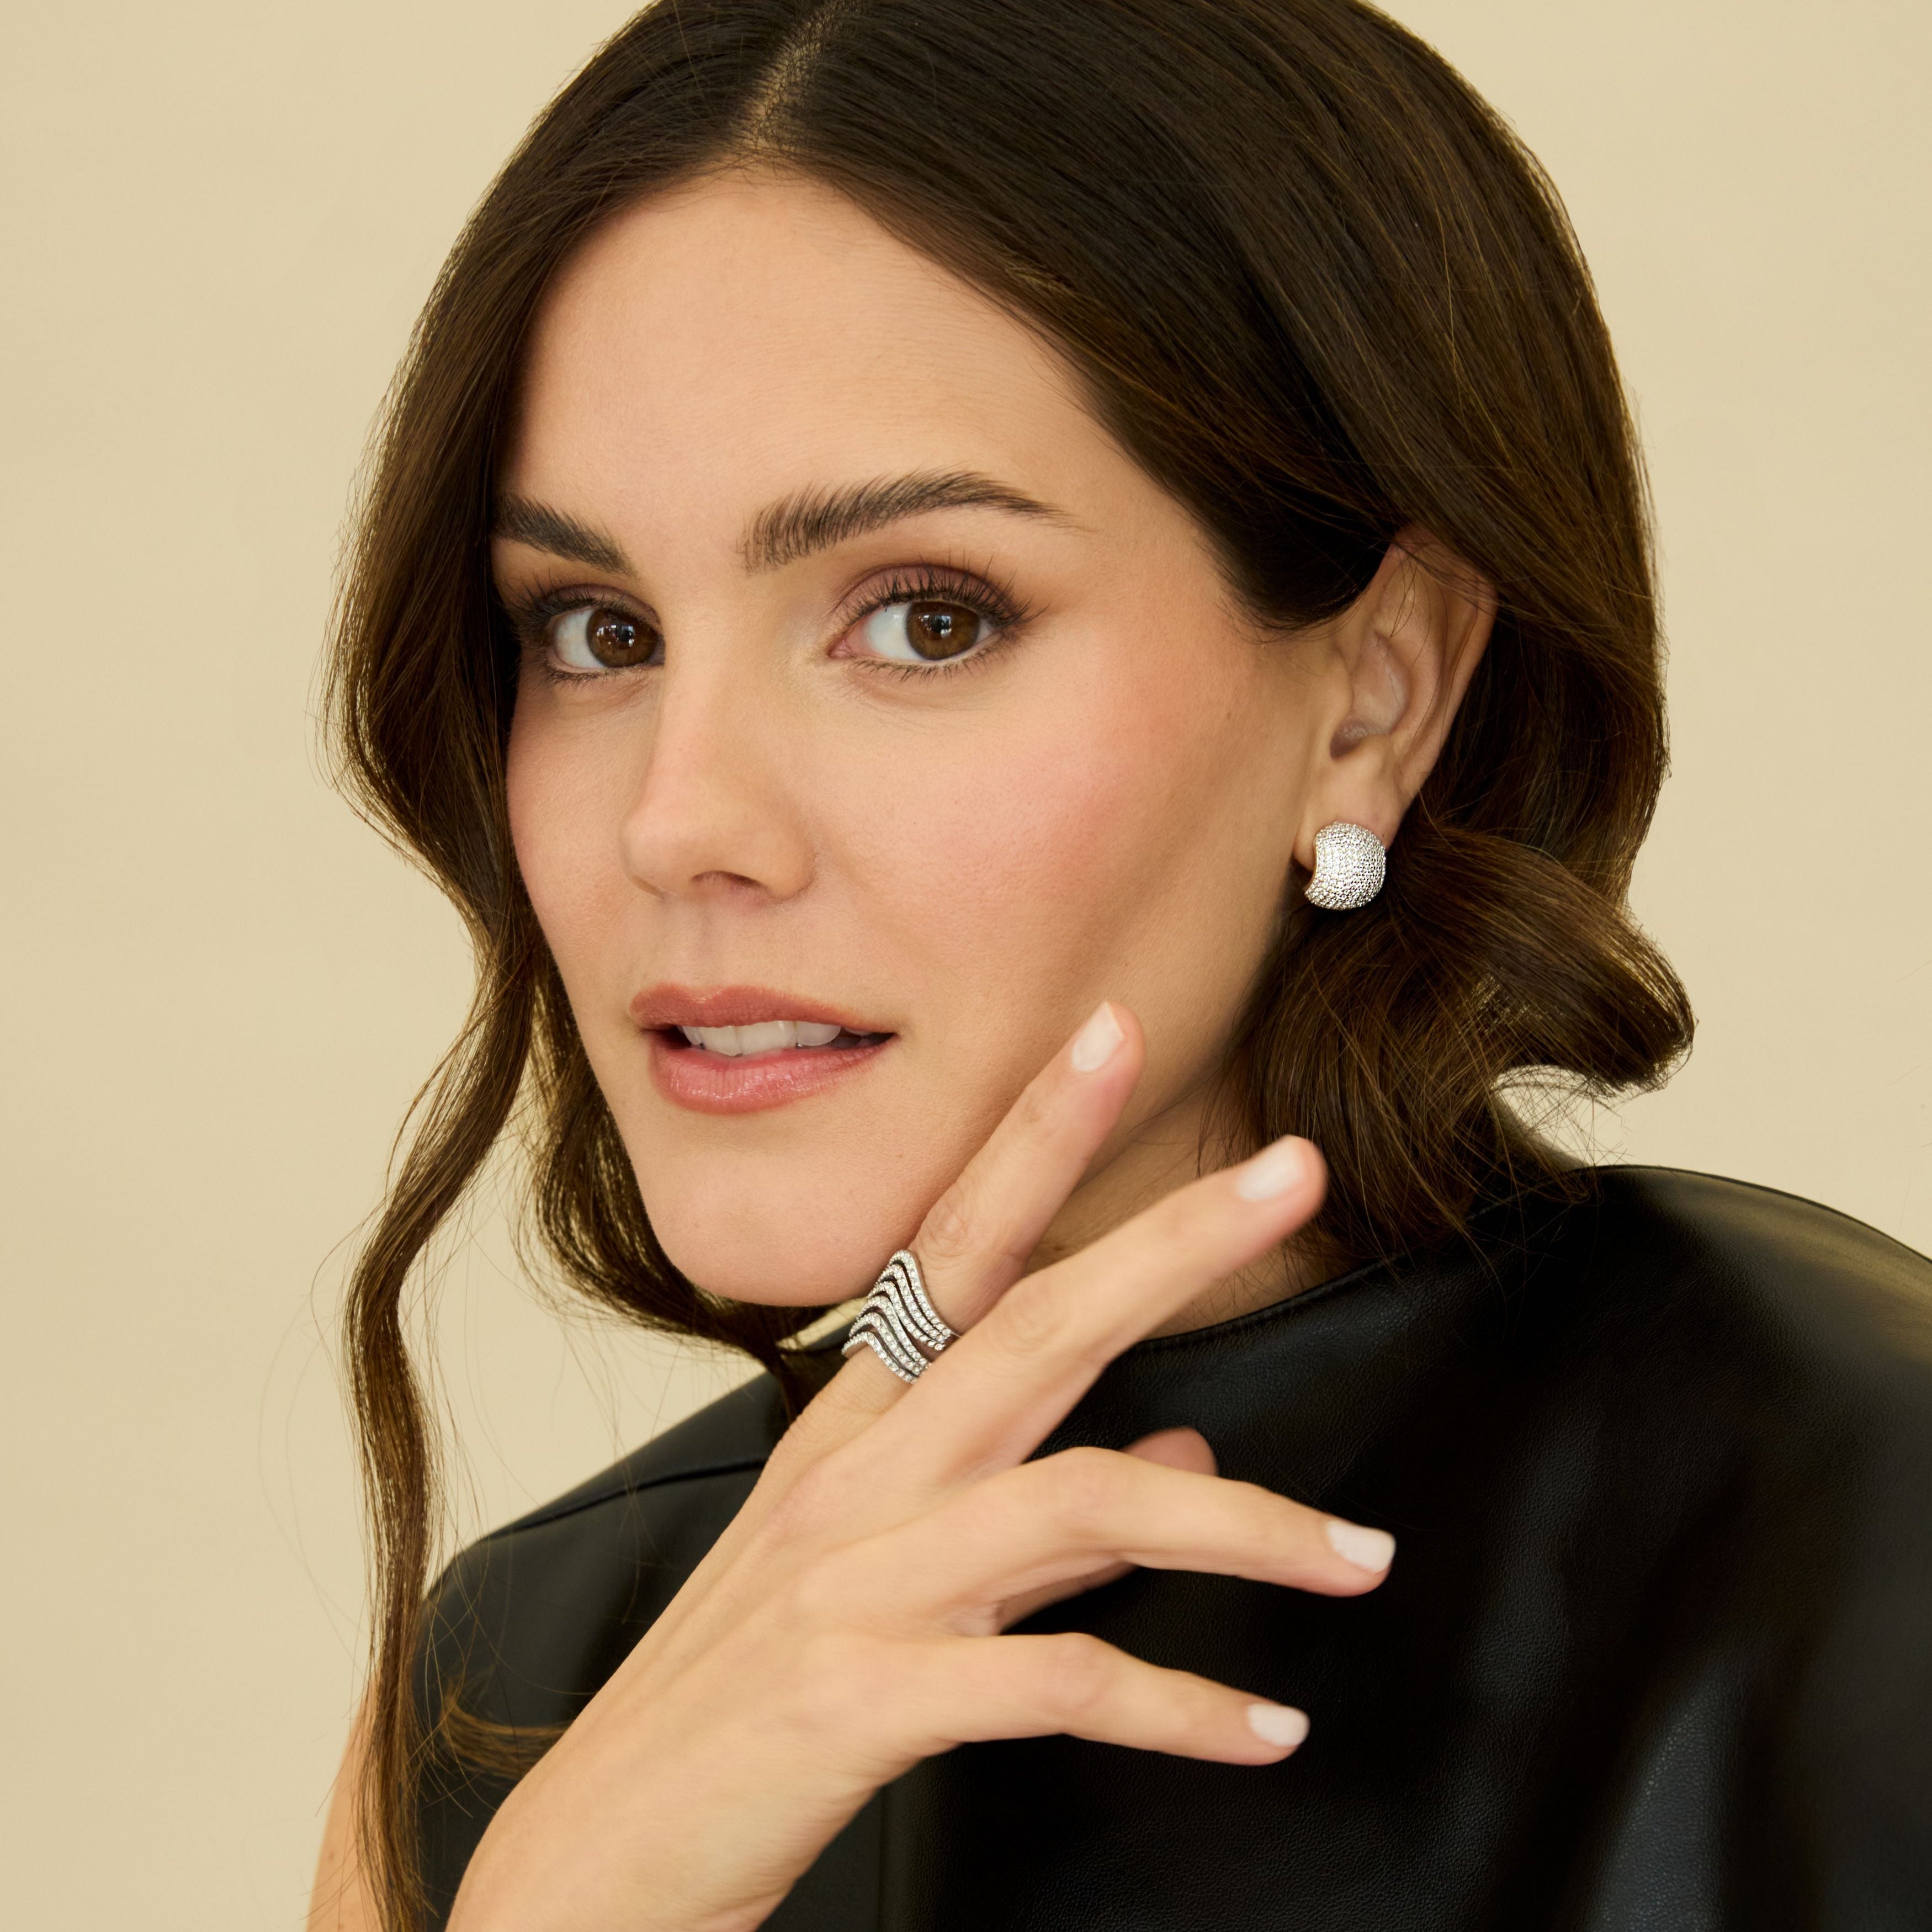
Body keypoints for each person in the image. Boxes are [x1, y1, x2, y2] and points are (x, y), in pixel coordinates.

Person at [306, 2, 1932, 1927]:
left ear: (1375, 690)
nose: (677, 821)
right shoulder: (518, 1685)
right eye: (591, 629)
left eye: (923, 617)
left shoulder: (1854, 1529)